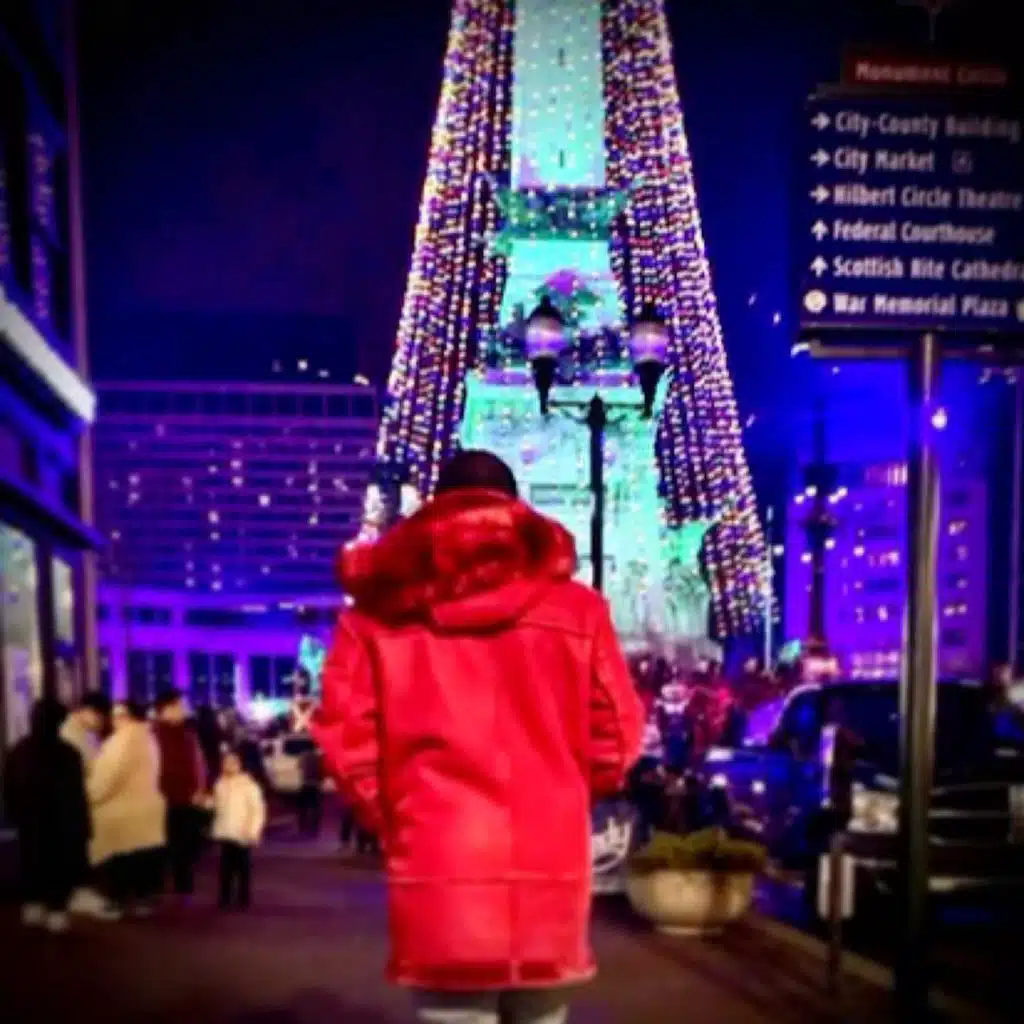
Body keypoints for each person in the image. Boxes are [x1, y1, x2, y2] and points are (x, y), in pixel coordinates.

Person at [313, 449, 644, 1024]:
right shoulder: (579, 611)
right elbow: (617, 734)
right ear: (519, 512)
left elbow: (345, 740)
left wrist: (398, 818)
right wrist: (566, 796)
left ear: (433, 510)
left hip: (438, 859)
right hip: (548, 865)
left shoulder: (376, 615)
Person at [3, 697, 90, 933]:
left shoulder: (18, 751)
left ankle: (33, 906)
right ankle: (56, 911)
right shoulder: (68, 754)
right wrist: (82, 825)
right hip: (60, 824)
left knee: (31, 862)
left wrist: (15, 814)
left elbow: (9, 788)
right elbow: (75, 795)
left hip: (29, 822)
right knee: (58, 867)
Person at [89, 701, 166, 917]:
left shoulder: (121, 741)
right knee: (143, 859)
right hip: (146, 808)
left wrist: (90, 795)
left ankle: (118, 901)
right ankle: (144, 900)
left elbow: (107, 777)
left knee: (120, 861)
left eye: (119, 715)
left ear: (128, 716)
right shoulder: (149, 738)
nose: (114, 720)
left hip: (122, 811)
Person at [59, 691, 120, 919]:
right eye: (100, 717)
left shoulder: (84, 735)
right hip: (73, 803)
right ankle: (75, 893)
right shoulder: (69, 735)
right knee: (75, 850)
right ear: (88, 712)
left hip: (82, 801)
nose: (101, 723)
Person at [153, 690, 207, 897]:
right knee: (164, 846)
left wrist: (201, 788)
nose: (184, 710)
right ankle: (160, 888)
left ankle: (183, 887)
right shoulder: (153, 735)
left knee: (187, 846)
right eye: (179, 706)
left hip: (187, 799)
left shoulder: (188, 735)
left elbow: (198, 764)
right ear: (165, 709)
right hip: (163, 799)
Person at [211, 748, 266, 910]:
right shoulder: (220, 784)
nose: (228, 766)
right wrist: (205, 802)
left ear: (240, 764)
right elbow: (218, 804)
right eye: (225, 762)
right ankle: (225, 898)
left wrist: (253, 830)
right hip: (225, 831)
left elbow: (257, 810)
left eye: (232, 762)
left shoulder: (248, 785)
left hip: (242, 832)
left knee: (242, 868)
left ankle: (243, 898)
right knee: (225, 868)